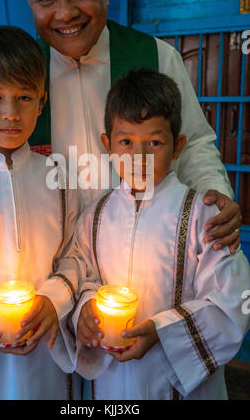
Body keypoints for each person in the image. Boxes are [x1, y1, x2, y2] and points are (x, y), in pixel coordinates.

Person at [21, 0, 242, 255]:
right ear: (30, 0)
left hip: (145, 251)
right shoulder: (21, 74)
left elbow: (192, 144)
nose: (66, 13)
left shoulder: (156, 57)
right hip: (53, 257)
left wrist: (213, 196)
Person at [63, 68, 250, 400]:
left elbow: (234, 304)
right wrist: (85, 312)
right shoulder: (95, 216)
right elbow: (83, 277)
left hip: (182, 386)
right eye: (126, 142)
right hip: (112, 384)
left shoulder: (204, 217)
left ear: (177, 146)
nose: (139, 157)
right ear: (107, 144)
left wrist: (163, 332)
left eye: (154, 142)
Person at [0, 26, 81, 400]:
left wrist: (53, 302)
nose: (11, 113)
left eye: (25, 97)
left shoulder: (60, 178)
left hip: (47, 354)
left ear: (41, 103)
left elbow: (75, 255)